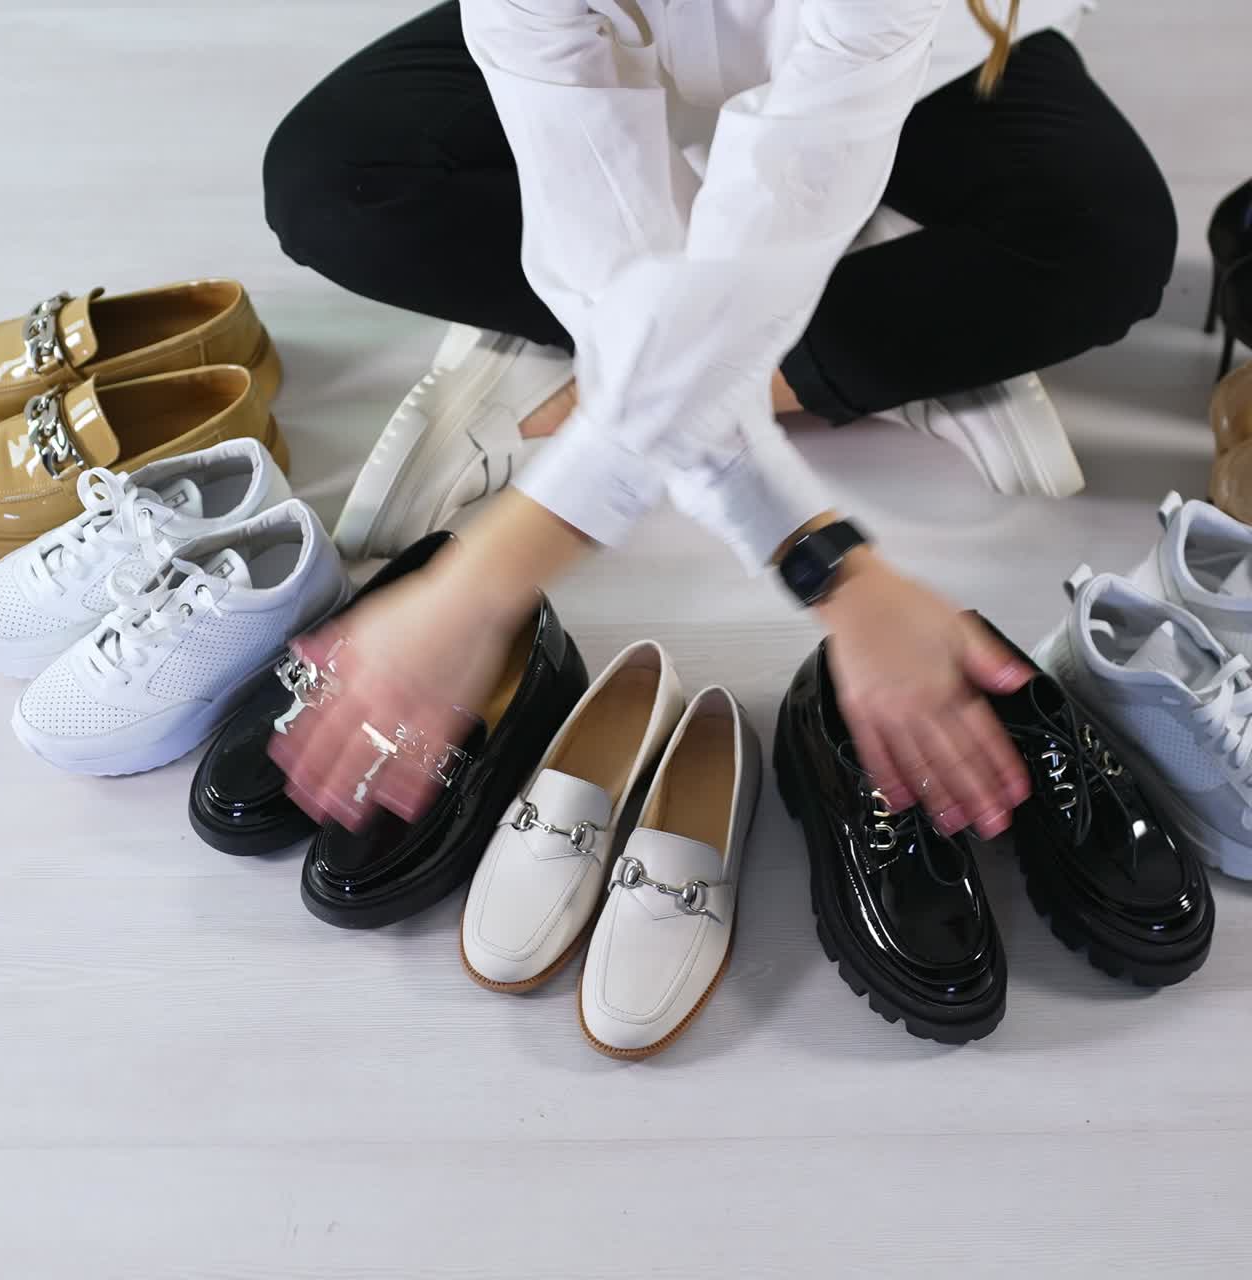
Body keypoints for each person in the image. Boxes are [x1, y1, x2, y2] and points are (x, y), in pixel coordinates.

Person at [261, 0, 1177, 840]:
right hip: (617, 38)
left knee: (1106, 239)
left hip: (919, 54)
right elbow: (595, 236)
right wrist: (830, 567)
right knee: (334, 181)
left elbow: (774, 226)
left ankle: (692, 373)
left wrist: (475, 584)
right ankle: (843, 356)